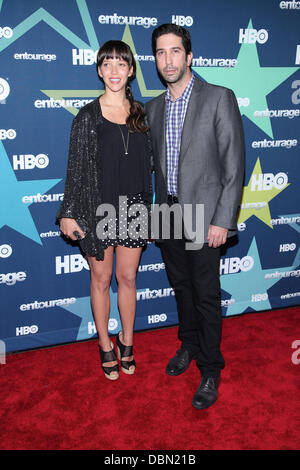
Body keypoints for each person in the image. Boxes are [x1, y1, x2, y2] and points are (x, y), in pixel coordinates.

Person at [145, 24, 245, 409]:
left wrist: (223, 219)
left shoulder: (219, 98)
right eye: (160, 52)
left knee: (205, 294)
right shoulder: (153, 108)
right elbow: (154, 170)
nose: (167, 60)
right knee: (181, 287)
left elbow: (233, 166)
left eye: (174, 51)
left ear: (189, 56)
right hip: (168, 213)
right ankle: (187, 345)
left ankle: (210, 368)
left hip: (206, 216)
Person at [57, 40, 152, 381]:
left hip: (135, 207)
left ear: (130, 70)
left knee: (128, 278)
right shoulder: (87, 116)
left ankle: (127, 339)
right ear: (99, 70)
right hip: (97, 209)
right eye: (107, 64)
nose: (114, 70)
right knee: (101, 279)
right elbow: (76, 169)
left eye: (120, 64)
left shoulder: (142, 113)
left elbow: (151, 165)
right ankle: (104, 345)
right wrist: (68, 212)